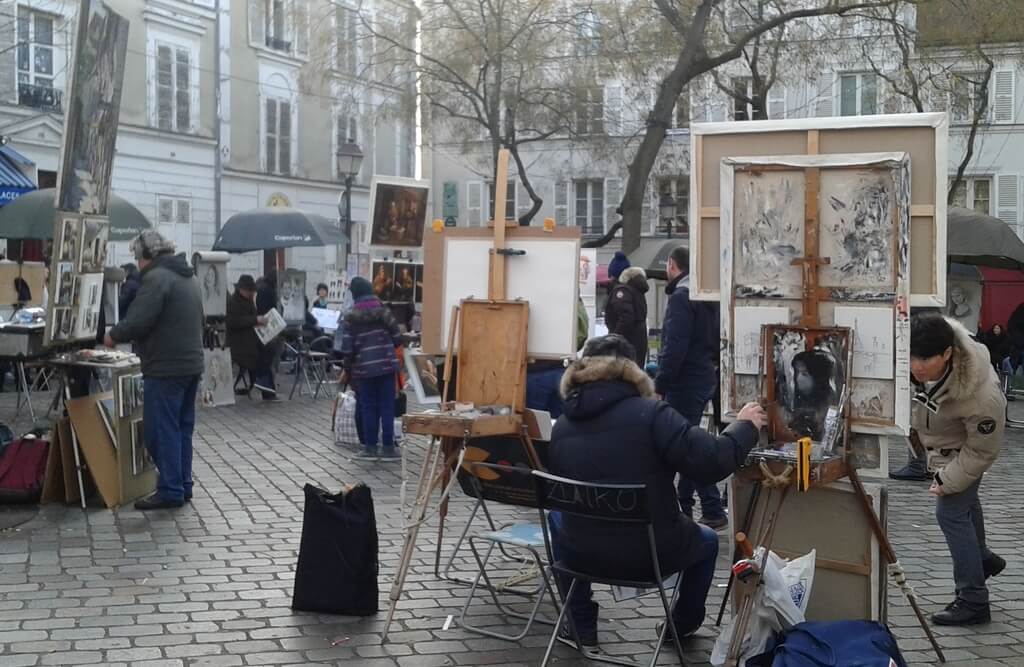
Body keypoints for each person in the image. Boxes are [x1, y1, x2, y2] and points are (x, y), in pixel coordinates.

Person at [547, 334, 766, 646]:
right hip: (648, 555)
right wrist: (744, 426)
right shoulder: (652, 415)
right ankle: (681, 625)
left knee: (556, 517)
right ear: (633, 371)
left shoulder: (563, 425)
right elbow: (710, 462)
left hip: (578, 555)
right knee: (706, 541)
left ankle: (580, 621)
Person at [909, 313, 1006, 626]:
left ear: (948, 354)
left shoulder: (982, 395)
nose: (916, 365)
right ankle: (981, 558)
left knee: (949, 513)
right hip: (944, 443)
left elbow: (982, 450)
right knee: (965, 507)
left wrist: (946, 479)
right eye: (912, 356)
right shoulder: (923, 360)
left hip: (964, 453)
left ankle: (973, 600)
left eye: (925, 359)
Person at [104, 231, 204, 510]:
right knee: (181, 428)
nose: (138, 265)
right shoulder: (188, 276)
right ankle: (182, 484)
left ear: (148, 257)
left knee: (160, 431)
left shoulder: (157, 278)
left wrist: (111, 336)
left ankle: (171, 489)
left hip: (166, 367)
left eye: (138, 258)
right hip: (190, 364)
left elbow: (138, 320)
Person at [656, 246, 726, 529]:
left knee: (682, 445)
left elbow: (674, 345)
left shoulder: (681, 297)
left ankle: (710, 506)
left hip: (685, 380)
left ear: (672, 265)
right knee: (688, 438)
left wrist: (661, 382)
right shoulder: (707, 296)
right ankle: (684, 505)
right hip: (706, 374)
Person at [341, 277, 403, 460]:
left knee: (368, 406)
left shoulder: (350, 316)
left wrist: (347, 368)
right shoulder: (384, 311)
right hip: (386, 366)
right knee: (387, 405)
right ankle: (389, 448)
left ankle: (370, 447)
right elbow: (398, 337)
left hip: (364, 368)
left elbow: (347, 348)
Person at [226, 275, 277, 400]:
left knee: (269, 348)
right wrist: (255, 320)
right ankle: (264, 385)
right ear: (242, 290)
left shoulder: (248, 301)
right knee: (260, 354)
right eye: (250, 291)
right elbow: (233, 322)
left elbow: (250, 318)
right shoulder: (233, 302)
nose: (252, 293)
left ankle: (265, 385)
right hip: (238, 343)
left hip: (250, 339)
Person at [604, 266, 649, 366]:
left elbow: (625, 317)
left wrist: (614, 338)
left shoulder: (623, 291)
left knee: (621, 376)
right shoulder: (638, 292)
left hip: (625, 345)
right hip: (639, 340)